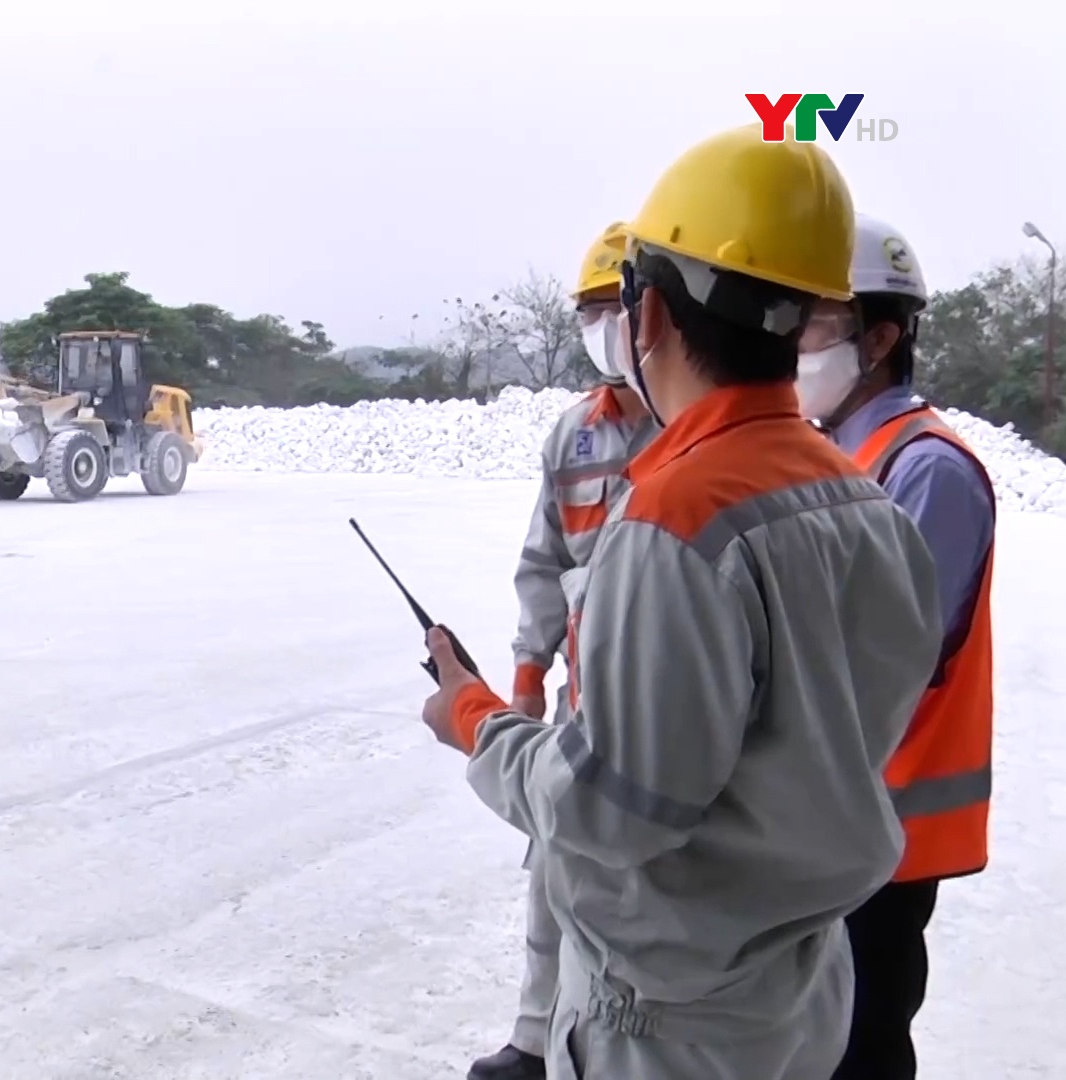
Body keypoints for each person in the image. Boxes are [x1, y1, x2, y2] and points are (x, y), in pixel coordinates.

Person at [419, 123, 947, 1080]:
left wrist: (475, 720)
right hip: (798, 991)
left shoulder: (675, 521)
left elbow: (610, 813)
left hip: (672, 1024)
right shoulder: (864, 502)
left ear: (648, 315)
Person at [795, 214, 997, 1080]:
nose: (793, 345)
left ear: (880, 337)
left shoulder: (927, 469)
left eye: (814, 325)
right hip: (834, 822)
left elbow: (880, 661)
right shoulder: (840, 454)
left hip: (890, 832)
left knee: (860, 1050)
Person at [470, 223, 662, 1080]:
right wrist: (523, 680)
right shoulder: (574, 435)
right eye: (586, 314)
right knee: (553, 872)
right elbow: (544, 564)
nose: (600, 331)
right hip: (579, 706)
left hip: (664, 709)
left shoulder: (692, 432)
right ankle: (533, 1038)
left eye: (607, 310)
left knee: (637, 891)